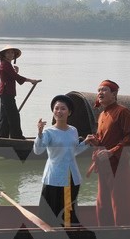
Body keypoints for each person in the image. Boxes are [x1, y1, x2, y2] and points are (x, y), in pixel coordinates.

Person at [33, 95, 94, 227]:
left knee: (69, 208)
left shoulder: (73, 130)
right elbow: (38, 151)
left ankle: (69, 231)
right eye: (56, 108)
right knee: (51, 209)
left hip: (72, 175)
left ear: (69, 112)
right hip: (54, 176)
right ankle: (49, 233)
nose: (59, 111)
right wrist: (39, 134)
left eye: (63, 109)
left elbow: (73, 151)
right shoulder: (48, 132)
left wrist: (85, 143)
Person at [85, 80, 130, 226]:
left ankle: (124, 234)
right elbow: (104, 139)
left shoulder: (122, 112)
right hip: (103, 165)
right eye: (98, 90)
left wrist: (111, 152)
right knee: (103, 203)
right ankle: (105, 232)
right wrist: (95, 141)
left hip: (118, 164)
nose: (100, 93)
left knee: (121, 203)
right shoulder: (102, 114)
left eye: (104, 90)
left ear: (114, 94)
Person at [0, 45, 41, 139]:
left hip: (6, 93)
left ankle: (2, 137)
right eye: (8, 52)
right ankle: (17, 137)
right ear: (4, 54)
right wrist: (31, 80)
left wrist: (15, 72)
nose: (10, 54)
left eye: (12, 52)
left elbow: (12, 76)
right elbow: (17, 78)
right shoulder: (5, 64)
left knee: (5, 117)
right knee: (14, 116)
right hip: (6, 93)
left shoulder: (7, 65)